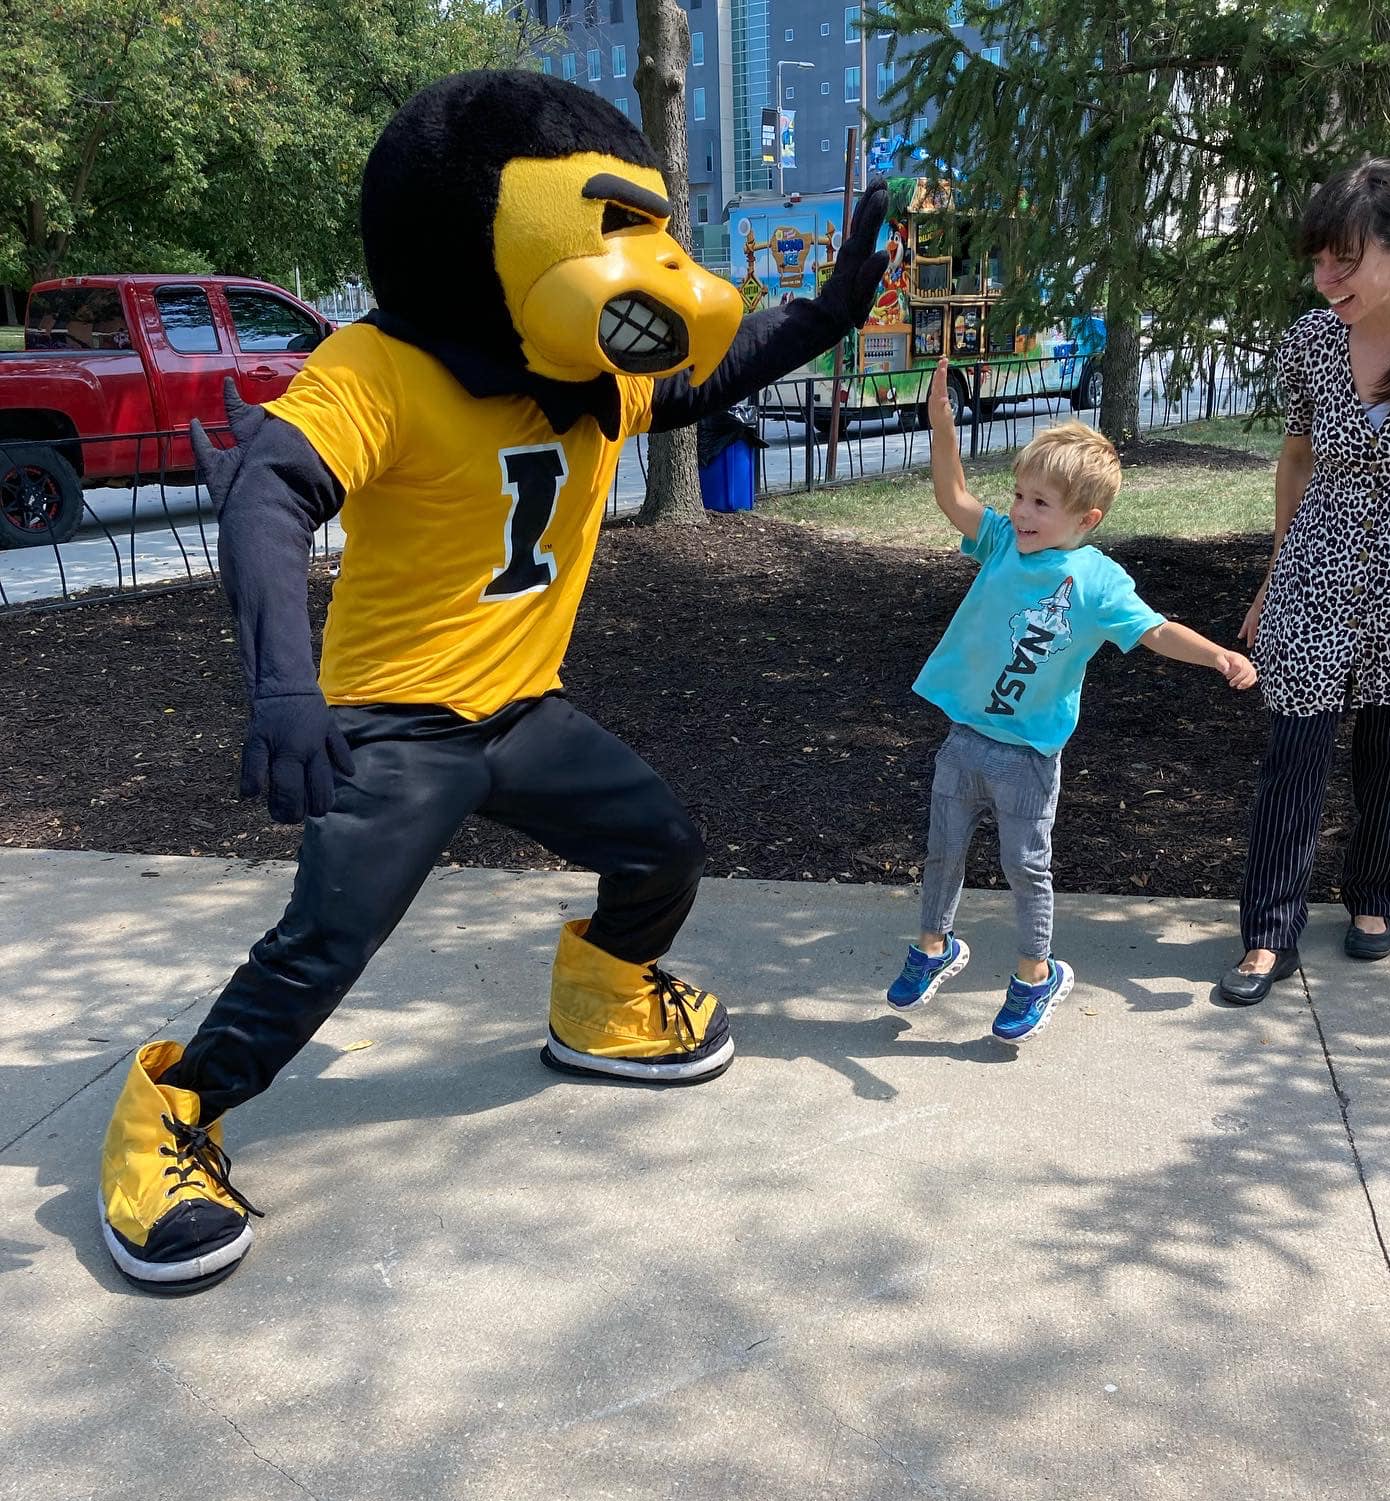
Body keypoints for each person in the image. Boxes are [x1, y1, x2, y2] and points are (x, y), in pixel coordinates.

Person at [94, 71, 889, 1293]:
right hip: (392, 725)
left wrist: (830, 314)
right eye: (613, 226)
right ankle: (167, 1117)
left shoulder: (587, 375)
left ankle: (600, 1001)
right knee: (322, 948)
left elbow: (704, 383)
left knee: (663, 846)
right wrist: (285, 692)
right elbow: (269, 493)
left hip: (521, 711)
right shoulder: (384, 367)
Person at [887, 358, 1258, 1042]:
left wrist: (1217, 654)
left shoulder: (1096, 581)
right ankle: (933, 948)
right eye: (1021, 495)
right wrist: (942, 427)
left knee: (1025, 867)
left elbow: (1154, 631)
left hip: (1028, 754)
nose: (1022, 511)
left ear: (1086, 517)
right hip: (964, 737)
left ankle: (1036, 973)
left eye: (1040, 503)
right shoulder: (1000, 542)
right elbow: (952, 496)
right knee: (942, 851)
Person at [1221, 158, 1390, 1004]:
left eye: (1343, 261)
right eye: (1317, 262)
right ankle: (1269, 932)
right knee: (1295, 749)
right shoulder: (1312, 340)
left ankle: (1375, 899)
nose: (1325, 280)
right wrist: (1275, 574)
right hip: (1319, 559)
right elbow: (1299, 454)